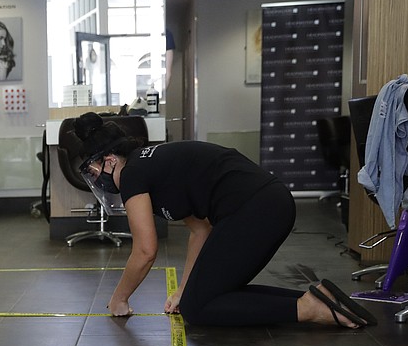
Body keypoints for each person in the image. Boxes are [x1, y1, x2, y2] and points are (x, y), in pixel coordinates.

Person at [70, 112, 377, 328]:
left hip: (255, 209)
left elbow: (145, 251)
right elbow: (200, 230)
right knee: (201, 296)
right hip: (267, 203)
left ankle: (306, 310)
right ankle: (314, 298)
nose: (96, 180)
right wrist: (183, 289)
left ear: (110, 161)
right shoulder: (150, 163)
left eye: (94, 172)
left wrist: (119, 299)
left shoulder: (133, 174)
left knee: (198, 308)